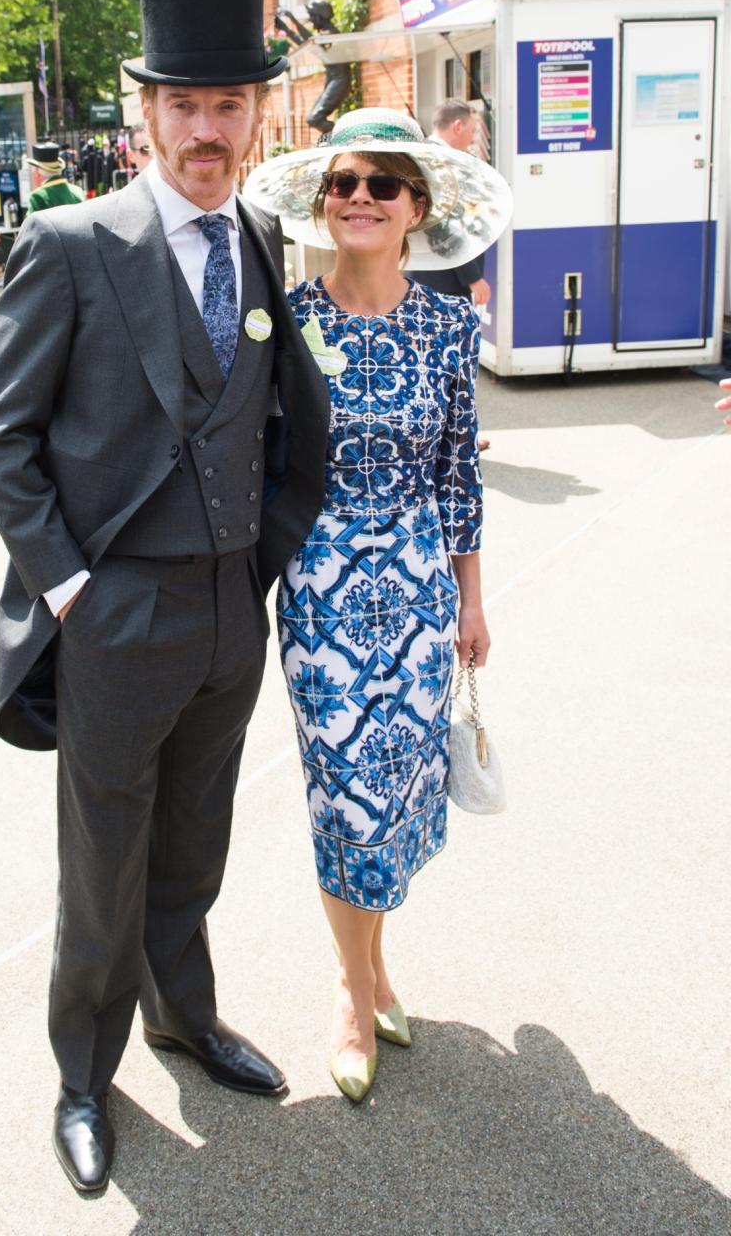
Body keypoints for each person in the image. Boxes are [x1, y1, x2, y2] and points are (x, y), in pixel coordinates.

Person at [0, 0, 329, 1194]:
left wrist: (264, 561)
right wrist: (71, 590)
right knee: (102, 860)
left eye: (229, 105)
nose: (207, 130)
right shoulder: (71, 244)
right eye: (183, 105)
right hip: (115, 612)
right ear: (145, 113)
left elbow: (286, 419)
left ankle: (186, 1016)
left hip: (232, 607)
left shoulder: (266, 235)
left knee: (193, 841)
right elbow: (1, 441)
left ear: (256, 117)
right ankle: (84, 1070)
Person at [243, 106, 512, 1103]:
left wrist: (473, 597)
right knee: (341, 794)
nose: (360, 197)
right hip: (317, 589)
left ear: (416, 207)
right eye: (345, 182)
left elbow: (457, 474)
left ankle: (375, 969)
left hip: (419, 593)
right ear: (323, 202)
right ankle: (352, 995)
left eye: (382, 185)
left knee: (394, 791)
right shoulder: (288, 320)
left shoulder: (450, 323)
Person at [408, 98, 493, 449]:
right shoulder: (438, 161)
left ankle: (456, 434)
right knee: (451, 360)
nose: (473, 138)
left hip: (429, 276)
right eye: (472, 131)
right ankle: (457, 438)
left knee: (438, 359)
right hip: (443, 278)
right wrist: (472, 275)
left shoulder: (430, 155)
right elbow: (442, 223)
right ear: (457, 126)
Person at [24, 141, 85, 213]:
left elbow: (30, 224)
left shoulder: (38, 197)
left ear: (37, 173)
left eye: (32, 172)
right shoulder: (77, 191)